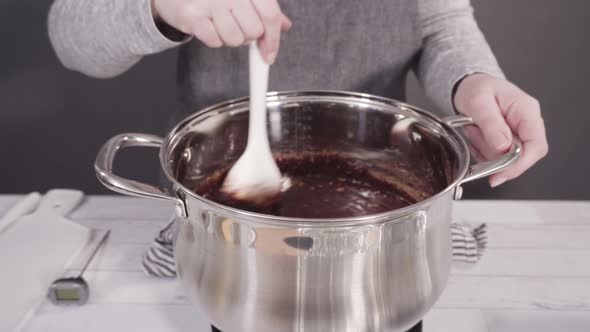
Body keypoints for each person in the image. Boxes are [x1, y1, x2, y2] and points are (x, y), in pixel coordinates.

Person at [47, 1, 547, 331]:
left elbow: (440, 22)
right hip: (229, 249)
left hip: (383, 243)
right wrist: (159, 6)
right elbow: (71, 35)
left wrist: (474, 81)